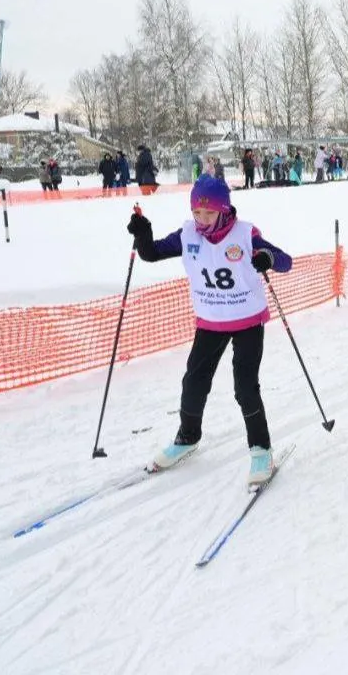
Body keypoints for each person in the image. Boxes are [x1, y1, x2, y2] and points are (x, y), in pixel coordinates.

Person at [126, 175, 294, 485]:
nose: (202, 219)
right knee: (193, 381)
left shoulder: (245, 234)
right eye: (196, 212)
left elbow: (285, 261)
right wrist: (143, 232)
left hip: (247, 319)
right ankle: (187, 437)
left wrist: (266, 258)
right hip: (210, 321)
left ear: (224, 209)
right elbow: (151, 253)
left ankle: (260, 449)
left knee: (245, 387)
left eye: (209, 212)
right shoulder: (188, 234)